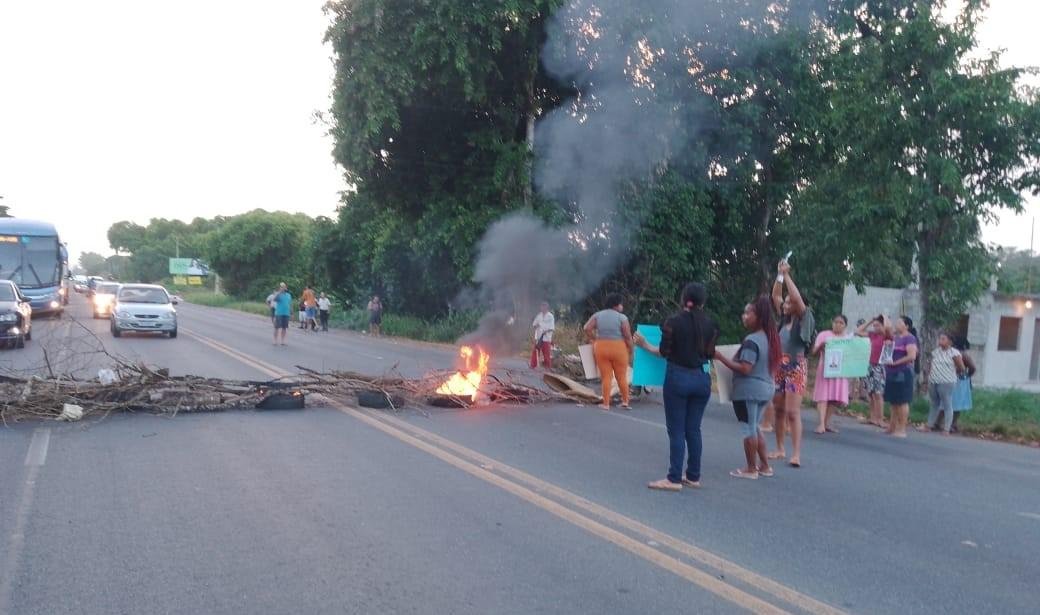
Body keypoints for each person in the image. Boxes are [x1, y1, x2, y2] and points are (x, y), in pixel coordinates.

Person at [634, 282, 720, 491]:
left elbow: (664, 352)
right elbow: (709, 354)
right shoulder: (712, 325)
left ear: (684, 299)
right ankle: (693, 476)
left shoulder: (672, 322)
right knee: (693, 429)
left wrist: (644, 344)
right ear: (702, 302)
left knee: (676, 430)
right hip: (702, 379)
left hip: (678, 378)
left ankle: (673, 478)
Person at [714, 296, 781, 480]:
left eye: (747, 313)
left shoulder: (752, 340)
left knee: (748, 429)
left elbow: (745, 367)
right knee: (755, 427)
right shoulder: (770, 338)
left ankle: (751, 469)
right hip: (766, 389)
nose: (744, 316)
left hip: (749, 390)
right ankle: (765, 466)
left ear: (758, 316)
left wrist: (720, 357)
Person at [770, 260, 811, 468]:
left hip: (796, 367)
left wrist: (787, 275)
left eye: (789, 303)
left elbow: (795, 297)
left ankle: (795, 453)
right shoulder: (783, 320)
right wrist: (779, 275)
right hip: (780, 367)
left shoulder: (805, 318)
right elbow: (775, 295)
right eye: (785, 303)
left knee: (793, 412)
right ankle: (779, 448)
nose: (786, 305)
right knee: (778, 408)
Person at [583, 293, 633, 411]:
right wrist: (631, 349)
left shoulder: (598, 315)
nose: (622, 306)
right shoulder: (622, 318)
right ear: (616, 305)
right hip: (619, 348)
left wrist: (594, 338)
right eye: (621, 304)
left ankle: (606, 404)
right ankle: (625, 401)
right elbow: (627, 336)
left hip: (601, 347)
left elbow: (586, 328)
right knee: (621, 376)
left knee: (606, 377)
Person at [811, 315, 852, 434]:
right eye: (836, 322)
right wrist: (820, 347)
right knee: (823, 396)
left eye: (841, 323)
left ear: (845, 326)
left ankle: (826, 422)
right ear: (832, 322)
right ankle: (821, 424)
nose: (838, 325)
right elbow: (814, 352)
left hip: (840, 371)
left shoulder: (848, 339)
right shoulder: (824, 335)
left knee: (835, 398)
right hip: (825, 369)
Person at [922, 332, 965, 435]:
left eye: (943, 339)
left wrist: (952, 374)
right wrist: (927, 379)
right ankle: (929, 425)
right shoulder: (936, 352)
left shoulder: (954, 353)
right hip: (934, 380)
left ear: (950, 341)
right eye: (940, 339)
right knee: (934, 403)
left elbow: (961, 367)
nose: (940, 341)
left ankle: (946, 428)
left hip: (946, 382)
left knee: (947, 404)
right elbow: (930, 365)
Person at [883, 316, 919, 438]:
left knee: (902, 401)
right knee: (893, 401)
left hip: (903, 372)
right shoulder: (895, 338)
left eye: (900, 322)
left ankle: (902, 428)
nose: (897, 324)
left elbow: (911, 356)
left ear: (906, 326)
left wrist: (895, 363)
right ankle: (892, 426)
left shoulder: (910, 338)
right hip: (891, 372)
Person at [856, 315, 888, 427]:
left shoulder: (885, 336)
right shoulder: (872, 335)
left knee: (878, 394)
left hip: (879, 366)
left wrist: (884, 318)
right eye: (874, 326)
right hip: (869, 365)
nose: (875, 327)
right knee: (871, 393)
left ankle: (880, 419)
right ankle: (873, 418)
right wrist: (870, 320)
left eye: (878, 325)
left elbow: (889, 329)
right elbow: (858, 331)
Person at [950, 337, 975, 432]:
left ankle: (948, 424)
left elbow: (972, 367)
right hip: (959, 381)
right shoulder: (963, 354)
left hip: (956, 380)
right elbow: (973, 367)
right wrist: (967, 376)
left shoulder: (955, 354)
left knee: (952, 403)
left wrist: (966, 376)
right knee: (956, 404)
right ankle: (952, 424)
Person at [530, 302, 555, 370]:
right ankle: (533, 365)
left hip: (546, 337)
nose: (542, 308)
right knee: (535, 350)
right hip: (538, 336)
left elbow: (552, 328)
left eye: (544, 307)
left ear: (547, 308)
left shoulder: (550, 316)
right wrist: (536, 325)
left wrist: (546, 331)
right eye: (541, 307)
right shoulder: (539, 316)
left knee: (546, 352)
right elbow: (534, 325)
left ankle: (547, 366)